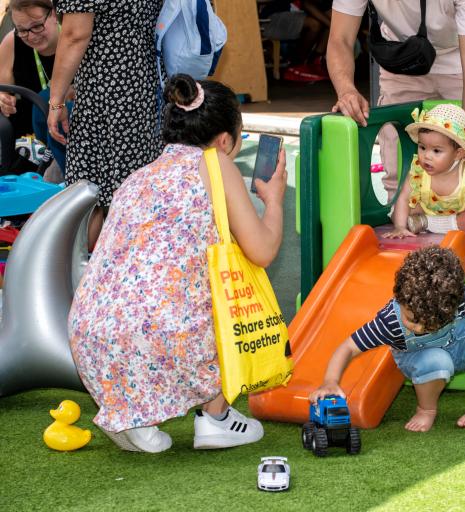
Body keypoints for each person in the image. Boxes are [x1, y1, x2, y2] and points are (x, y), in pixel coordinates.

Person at [68, 74, 288, 453]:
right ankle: (216, 416)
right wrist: (274, 201)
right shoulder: (216, 164)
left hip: (91, 336)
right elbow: (262, 250)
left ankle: (134, 417)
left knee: (162, 296)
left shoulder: (137, 177)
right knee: (221, 298)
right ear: (224, 140)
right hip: (168, 337)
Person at [310, 246, 465, 432]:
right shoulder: (390, 321)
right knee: (436, 361)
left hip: (461, 340)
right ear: (400, 298)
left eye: (426, 323)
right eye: (411, 318)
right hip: (419, 356)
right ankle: (426, 409)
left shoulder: (459, 298)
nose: (416, 327)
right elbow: (348, 347)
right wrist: (330, 380)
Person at [327, 0, 465, 198]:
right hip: (404, 57)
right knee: (400, 171)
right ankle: (402, 222)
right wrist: (346, 90)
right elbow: (340, 39)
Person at [46, 0, 164, 248]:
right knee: (136, 187)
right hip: (142, 81)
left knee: (88, 192)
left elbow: (75, 34)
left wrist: (55, 101)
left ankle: (94, 277)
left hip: (105, 91)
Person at [384, 103, 465, 238]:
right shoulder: (418, 171)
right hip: (426, 210)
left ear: (458, 154)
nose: (426, 156)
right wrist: (400, 227)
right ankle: (419, 221)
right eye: (422, 147)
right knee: (399, 211)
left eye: (436, 151)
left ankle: (427, 223)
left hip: (456, 218)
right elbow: (404, 198)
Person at [0, 0, 66, 173]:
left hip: (65, 135)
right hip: (25, 146)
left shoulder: (74, 40)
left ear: (53, 14)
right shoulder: (12, 43)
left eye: (37, 26)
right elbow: (2, 92)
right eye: (22, 30)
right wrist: (3, 100)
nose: (31, 35)